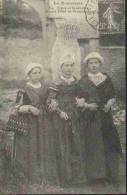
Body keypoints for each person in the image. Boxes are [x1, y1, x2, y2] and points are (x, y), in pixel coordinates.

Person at [76, 52, 122, 186]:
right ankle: (95, 177)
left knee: (108, 143)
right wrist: (87, 105)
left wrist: (109, 103)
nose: (94, 65)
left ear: (100, 64)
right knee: (93, 144)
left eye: (96, 63)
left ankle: (111, 175)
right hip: (90, 118)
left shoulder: (106, 78)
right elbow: (78, 98)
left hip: (105, 116)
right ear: (87, 65)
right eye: (91, 63)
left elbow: (113, 95)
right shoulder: (83, 81)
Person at [46, 54, 86, 187]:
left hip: (75, 117)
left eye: (71, 65)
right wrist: (59, 112)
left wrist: (82, 101)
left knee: (76, 145)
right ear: (61, 67)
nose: (69, 68)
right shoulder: (56, 83)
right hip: (61, 118)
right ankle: (65, 178)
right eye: (66, 66)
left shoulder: (76, 81)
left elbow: (81, 95)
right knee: (63, 145)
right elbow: (49, 102)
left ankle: (77, 178)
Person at [10, 62, 49, 186]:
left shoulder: (45, 87)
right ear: (28, 75)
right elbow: (16, 107)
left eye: (39, 72)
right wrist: (29, 108)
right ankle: (28, 176)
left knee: (42, 145)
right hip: (29, 122)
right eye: (34, 73)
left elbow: (48, 101)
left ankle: (42, 175)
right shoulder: (24, 89)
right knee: (30, 146)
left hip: (42, 121)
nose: (37, 75)